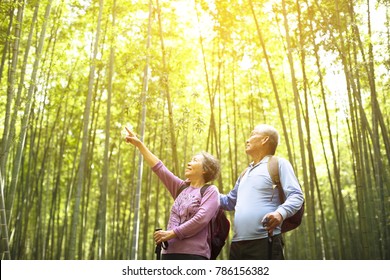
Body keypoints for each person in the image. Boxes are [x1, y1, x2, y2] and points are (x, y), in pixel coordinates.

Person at [124, 127, 221, 260]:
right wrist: (140, 145)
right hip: (169, 253)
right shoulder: (181, 188)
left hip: (193, 255)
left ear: (205, 169)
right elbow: (159, 168)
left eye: (194, 160)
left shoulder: (210, 191)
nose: (188, 163)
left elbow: (201, 218)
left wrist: (172, 233)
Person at [220, 124, 304, 259]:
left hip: (265, 240)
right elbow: (229, 202)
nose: (247, 140)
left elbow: (296, 195)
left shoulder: (278, 164)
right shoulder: (245, 173)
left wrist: (280, 213)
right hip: (237, 244)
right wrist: (202, 191)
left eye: (252, 135)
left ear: (264, 140)